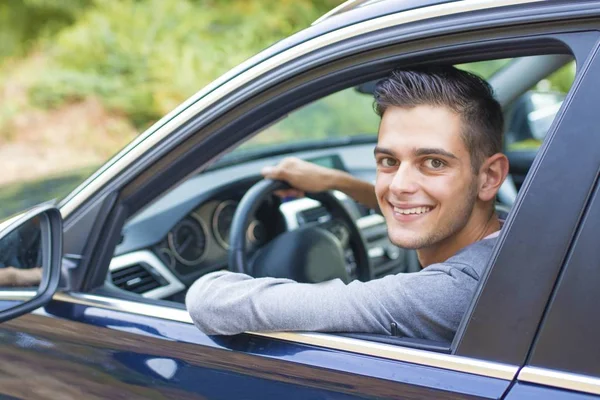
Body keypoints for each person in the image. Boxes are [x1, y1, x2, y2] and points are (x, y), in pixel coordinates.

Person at [186, 66, 509, 342]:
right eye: (388, 160)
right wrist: (339, 182)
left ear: (489, 177)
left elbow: (211, 303)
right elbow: (412, 200)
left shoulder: (449, 295)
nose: (398, 186)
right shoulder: (514, 233)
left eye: (434, 163)